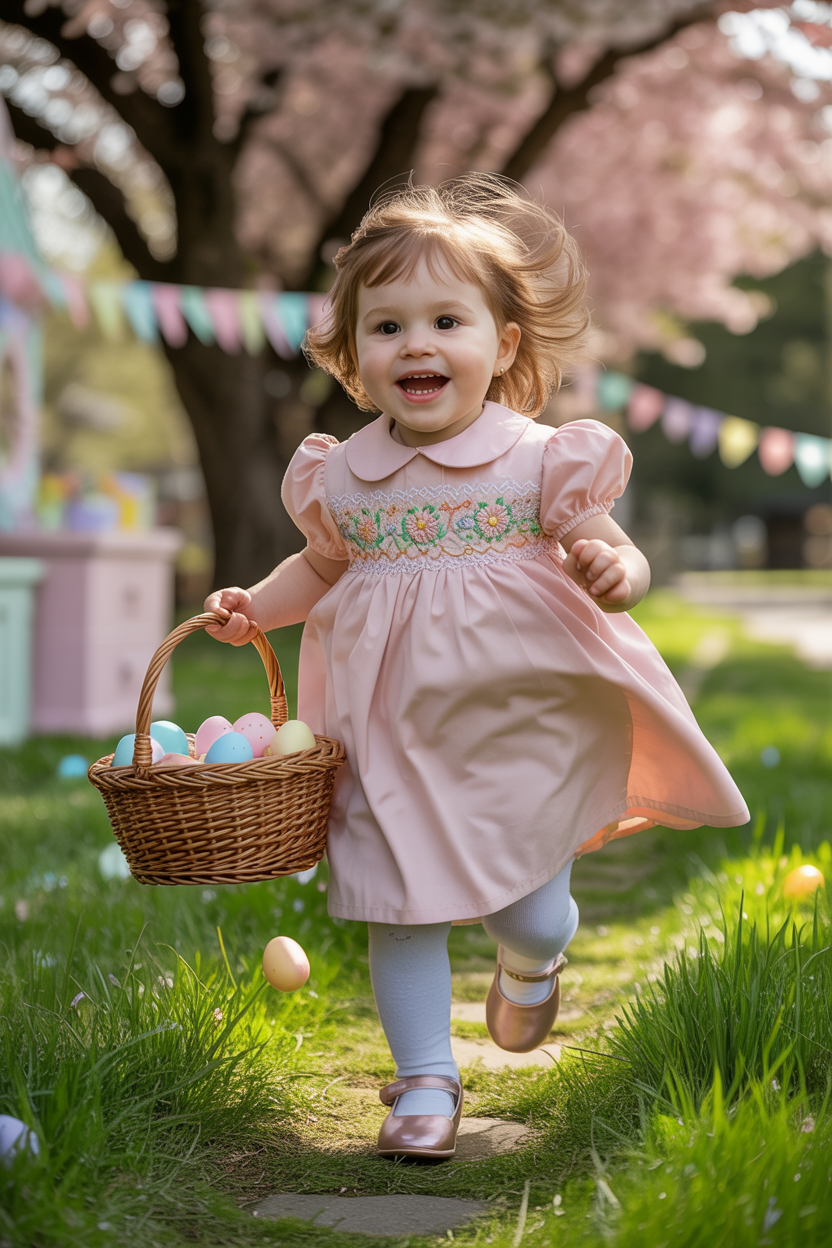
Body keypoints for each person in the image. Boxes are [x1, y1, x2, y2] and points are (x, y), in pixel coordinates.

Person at [205, 174, 749, 1161]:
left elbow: (614, 549)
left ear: (500, 347)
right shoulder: (342, 474)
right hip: (385, 730)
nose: (416, 344)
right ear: (354, 357)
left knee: (530, 908)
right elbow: (319, 565)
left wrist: (612, 569)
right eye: (386, 326)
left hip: (514, 723)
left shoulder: (539, 460)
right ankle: (424, 1081)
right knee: (393, 899)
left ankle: (532, 963)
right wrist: (259, 607)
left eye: (446, 320)